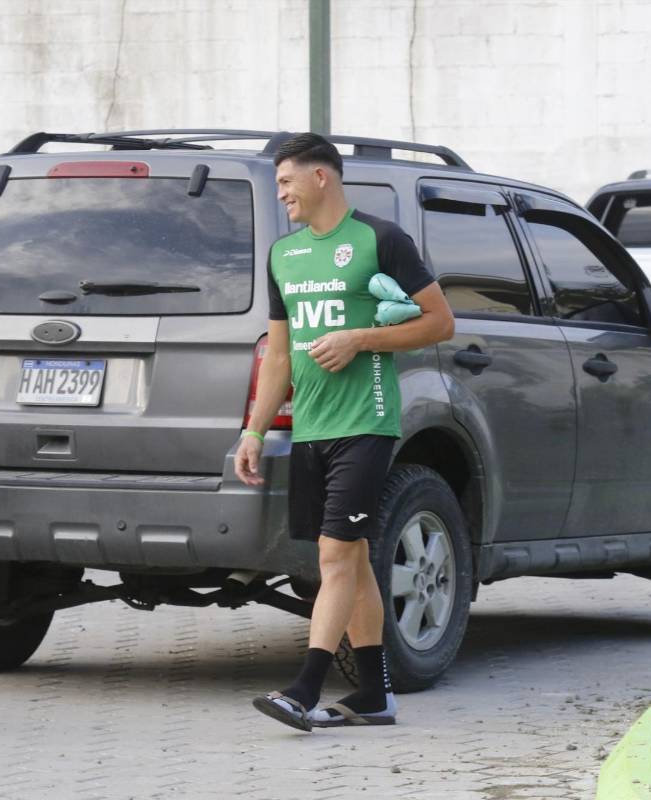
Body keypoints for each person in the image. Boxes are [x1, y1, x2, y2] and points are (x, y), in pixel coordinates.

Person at [236, 132, 454, 731]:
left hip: (367, 420)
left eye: (285, 181)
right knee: (350, 559)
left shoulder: (380, 239)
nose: (281, 193)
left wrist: (360, 338)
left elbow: (440, 321)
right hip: (311, 427)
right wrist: (254, 431)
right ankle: (375, 694)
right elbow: (279, 356)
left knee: (334, 554)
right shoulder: (285, 255)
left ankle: (304, 689)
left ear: (321, 177)